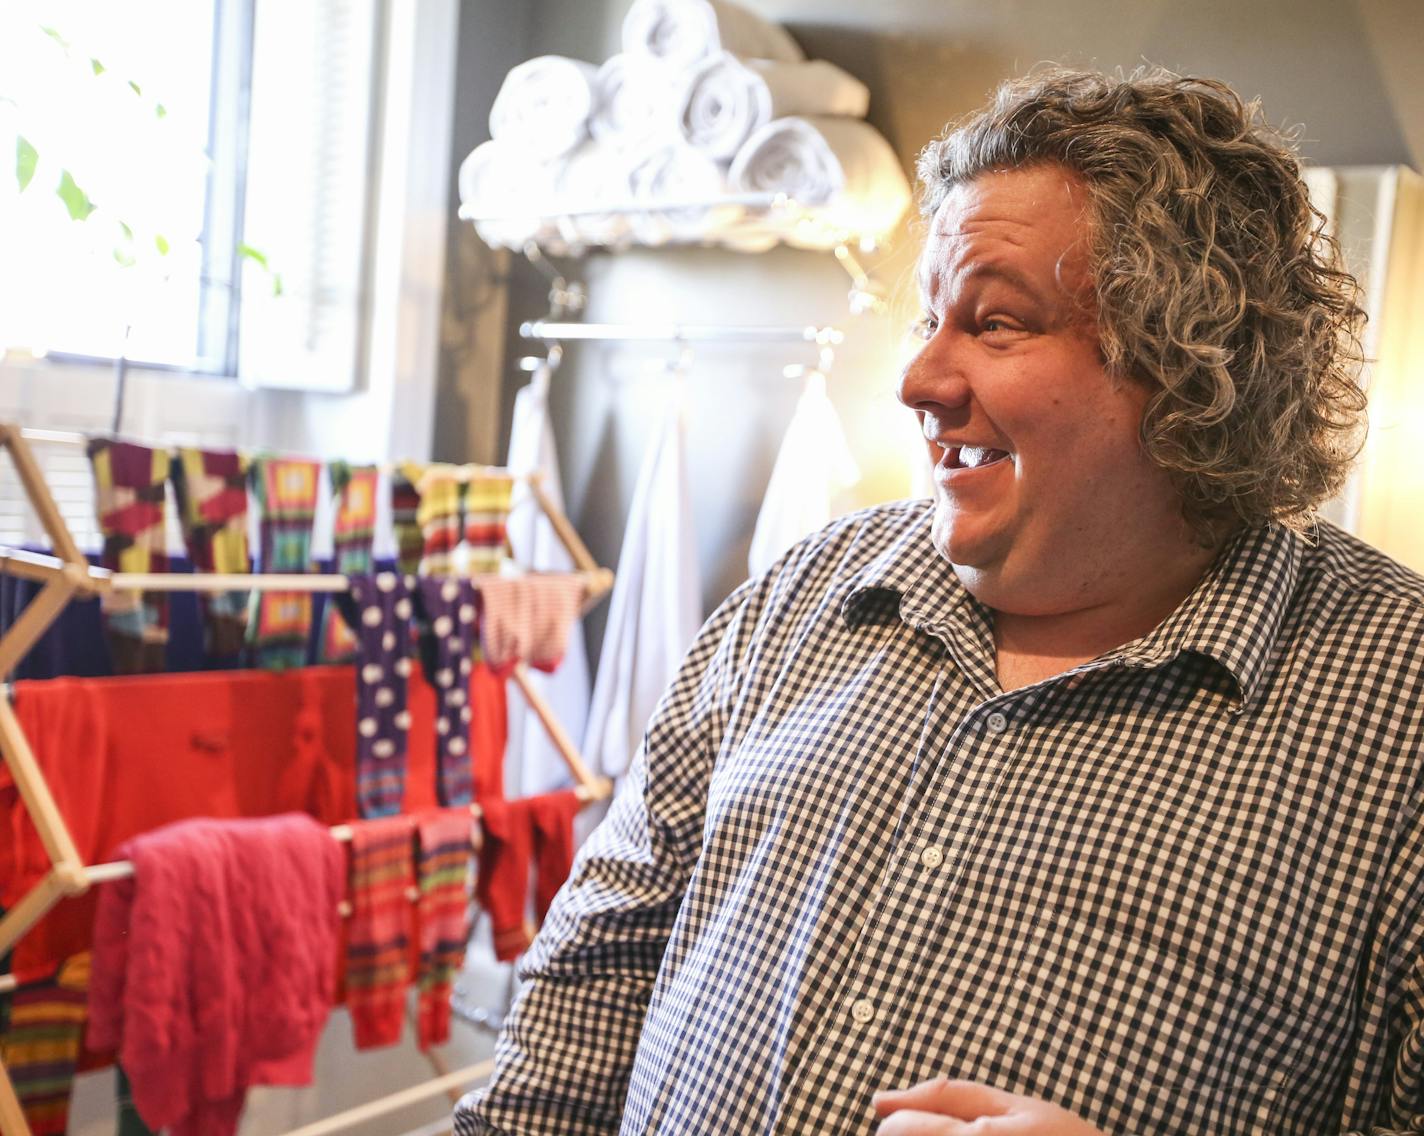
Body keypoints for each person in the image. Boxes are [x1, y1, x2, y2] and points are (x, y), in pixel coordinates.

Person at [455, 68, 1424, 1135]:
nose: (918, 378)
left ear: (1191, 368)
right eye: (928, 318)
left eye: (996, 323)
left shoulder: (1395, 706)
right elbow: (589, 985)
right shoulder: (800, 593)